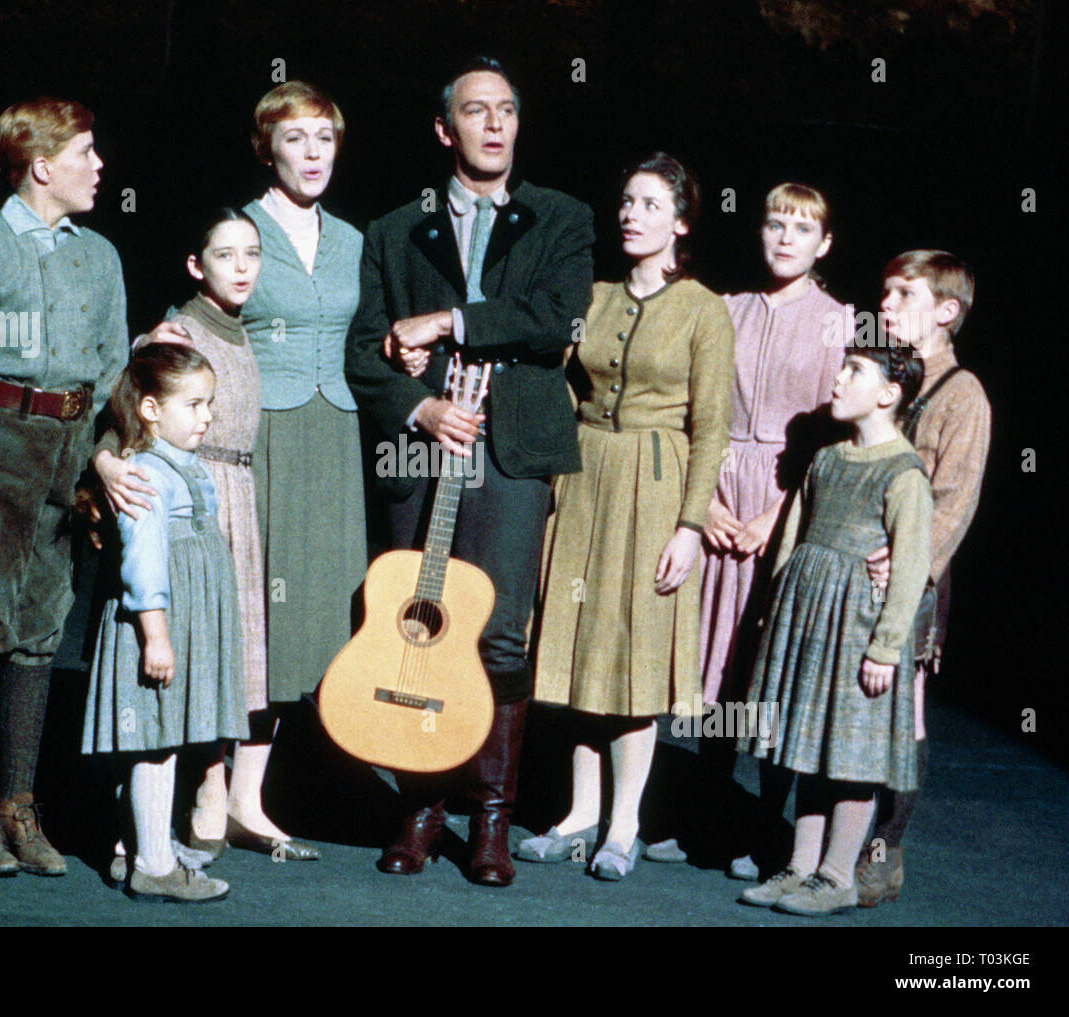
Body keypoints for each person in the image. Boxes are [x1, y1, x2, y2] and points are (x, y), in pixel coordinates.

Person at [347, 56, 594, 886]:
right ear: (444, 129)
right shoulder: (393, 229)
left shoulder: (561, 218)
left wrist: (447, 319)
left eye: (508, 110)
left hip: (513, 450)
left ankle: (491, 816)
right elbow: (364, 353)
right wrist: (422, 411)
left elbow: (552, 320)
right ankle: (421, 809)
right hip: (424, 452)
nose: (495, 124)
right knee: (418, 625)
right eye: (475, 111)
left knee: (496, 634)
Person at [100, 82, 363, 858]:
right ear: (267, 148)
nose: (313, 154)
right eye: (296, 139)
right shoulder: (242, 229)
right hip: (251, 436)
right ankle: (202, 792)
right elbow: (174, 348)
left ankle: (251, 795)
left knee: (295, 624)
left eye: (325, 138)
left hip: (330, 435)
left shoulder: (353, 239)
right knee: (240, 612)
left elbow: (365, 327)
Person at [0, 97, 128, 876]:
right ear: (43, 166)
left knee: (41, 626)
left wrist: (107, 456)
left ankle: (18, 799)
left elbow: (111, 370)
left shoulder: (98, 255)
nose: (99, 165)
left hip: (70, 448)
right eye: (87, 151)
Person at [521, 154, 735, 880]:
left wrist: (690, 524)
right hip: (585, 475)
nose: (630, 214)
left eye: (648, 204)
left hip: (653, 484)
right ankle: (580, 815)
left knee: (633, 653)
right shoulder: (596, 293)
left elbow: (711, 429)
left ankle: (623, 823)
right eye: (625, 201)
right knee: (583, 648)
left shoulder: (704, 308)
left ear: (680, 223)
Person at [645, 183, 850, 875]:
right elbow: (690, 412)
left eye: (803, 227)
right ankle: (706, 814)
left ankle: (763, 825)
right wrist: (705, 508)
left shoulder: (838, 322)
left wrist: (775, 514)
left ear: (824, 243)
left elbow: (837, 436)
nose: (785, 237)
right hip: (717, 485)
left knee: (769, 667)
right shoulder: (724, 308)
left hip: (790, 499)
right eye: (774, 223)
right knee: (715, 665)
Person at [93, 209, 266, 878]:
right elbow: (135, 401)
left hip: (221, 498)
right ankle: (139, 848)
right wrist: (110, 461)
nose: (244, 266)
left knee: (176, 711)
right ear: (198, 264)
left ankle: (155, 839)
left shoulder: (243, 333)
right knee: (151, 719)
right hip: (171, 534)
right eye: (226, 254)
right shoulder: (176, 336)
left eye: (253, 252)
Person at [736, 342, 931, 915]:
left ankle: (836, 875)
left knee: (852, 753)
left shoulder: (904, 472)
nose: (839, 380)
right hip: (809, 619)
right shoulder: (826, 459)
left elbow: (912, 567)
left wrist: (886, 647)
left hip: (860, 626)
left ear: (889, 395)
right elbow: (794, 537)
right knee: (807, 746)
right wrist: (777, 604)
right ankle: (798, 866)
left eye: (855, 373)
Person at [84, 344, 246, 902]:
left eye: (210, 404)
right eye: (195, 404)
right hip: (155, 623)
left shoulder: (178, 461)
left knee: (162, 739)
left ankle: (139, 846)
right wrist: (156, 637)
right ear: (151, 409)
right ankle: (152, 862)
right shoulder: (146, 473)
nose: (207, 417)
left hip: (178, 619)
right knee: (152, 741)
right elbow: (144, 562)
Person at [855, 250, 989, 906]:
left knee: (902, 706)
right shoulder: (881, 377)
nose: (886, 305)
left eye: (903, 295)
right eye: (884, 292)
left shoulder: (961, 394)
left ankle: (886, 843)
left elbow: (954, 499)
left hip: (911, 578)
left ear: (945, 311)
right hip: (852, 564)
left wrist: (907, 561)